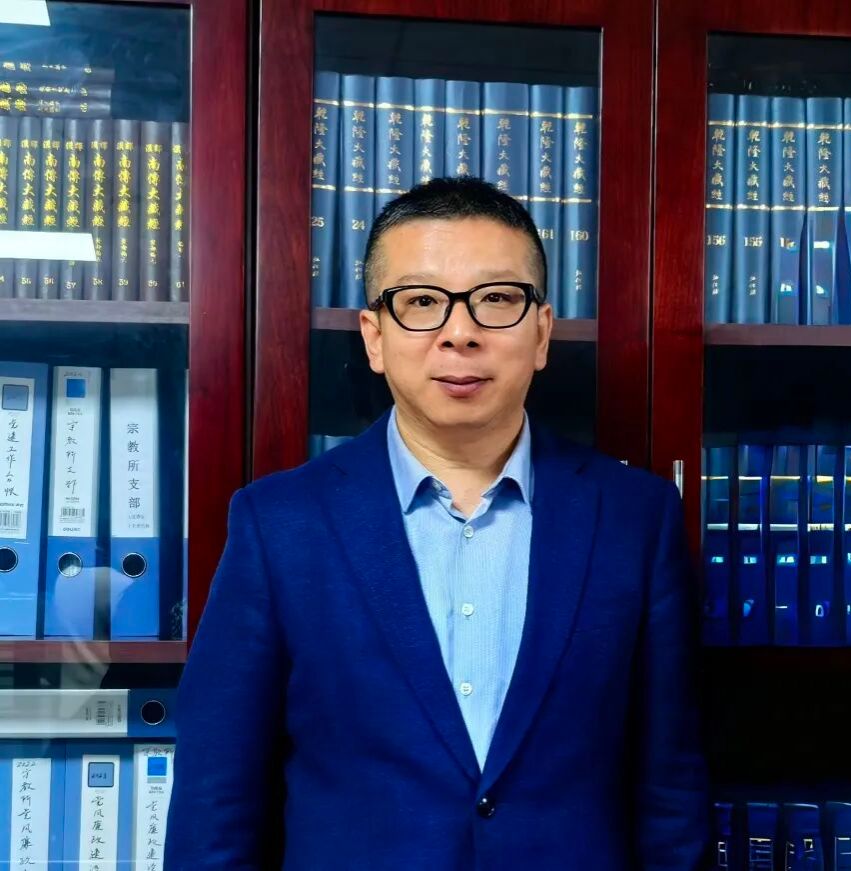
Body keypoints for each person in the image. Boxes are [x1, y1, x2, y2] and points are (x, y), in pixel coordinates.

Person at [165, 176, 709, 869]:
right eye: (421, 302)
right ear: (374, 336)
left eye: (497, 300)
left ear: (542, 332)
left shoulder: (636, 519)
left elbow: (671, 790)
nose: (460, 333)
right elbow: (215, 803)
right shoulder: (280, 525)